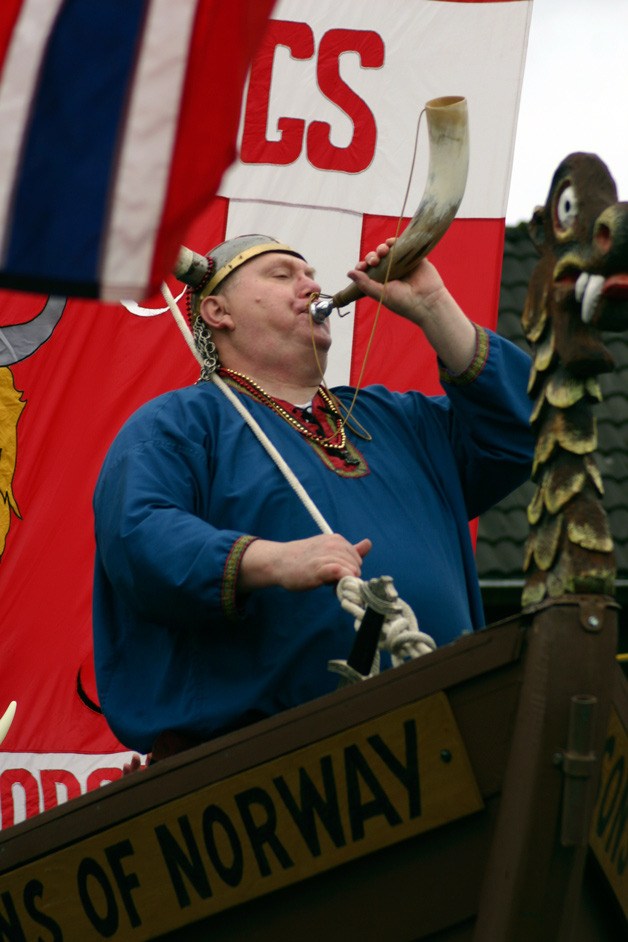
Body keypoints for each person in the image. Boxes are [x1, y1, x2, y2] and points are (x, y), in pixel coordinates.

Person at [92, 234, 533, 759]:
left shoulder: (398, 420)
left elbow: (528, 430)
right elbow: (139, 536)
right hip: (260, 768)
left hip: (446, 731)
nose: (313, 285)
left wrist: (434, 306)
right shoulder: (177, 423)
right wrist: (274, 559)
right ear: (216, 311)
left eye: (310, 274)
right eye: (282, 275)